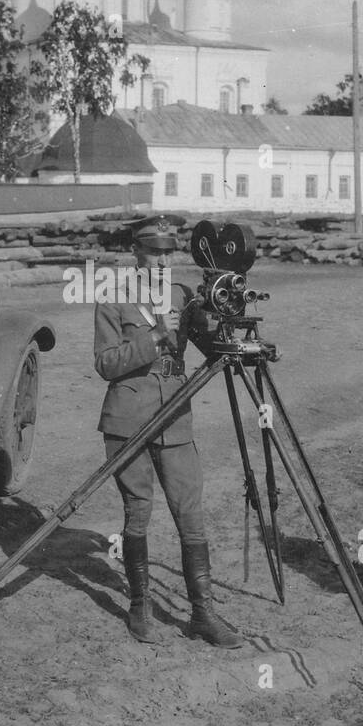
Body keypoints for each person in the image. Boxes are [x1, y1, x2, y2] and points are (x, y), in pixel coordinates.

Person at [94, 216, 244, 649]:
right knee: (137, 514)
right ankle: (140, 607)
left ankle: (203, 614)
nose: (162, 259)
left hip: (175, 418)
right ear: (137, 252)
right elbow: (105, 363)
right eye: (154, 251)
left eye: (168, 252)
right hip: (128, 421)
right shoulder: (112, 297)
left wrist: (227, 326)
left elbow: (213, 347)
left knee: (190, 515)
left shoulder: (182, 295)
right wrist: (156, 338)